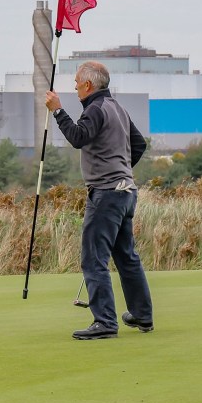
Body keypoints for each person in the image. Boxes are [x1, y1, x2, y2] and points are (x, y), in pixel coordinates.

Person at [45, 61, 154, 340]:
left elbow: (78, 137)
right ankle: (142, 315)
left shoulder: (95, 109)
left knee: (94, 260)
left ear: (88, 85)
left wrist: (57, 110)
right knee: (126, 257)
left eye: (77, 83)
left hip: (106, 194)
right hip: (126, 191)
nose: (75, 87)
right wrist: (121, 168)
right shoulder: (116, 107)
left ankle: (105, 322)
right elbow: (138, 143)